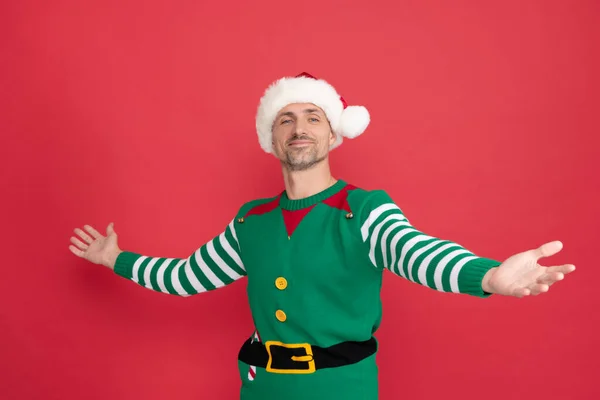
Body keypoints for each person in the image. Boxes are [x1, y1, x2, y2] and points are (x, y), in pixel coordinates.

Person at [69, 72, 576, 400]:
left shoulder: (364, 210)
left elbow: (415, 252)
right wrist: (117, 258)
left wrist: (486, 275)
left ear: (333, 134)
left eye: (314, 117)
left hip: (341, 387)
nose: (299, 128)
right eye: (285, 119)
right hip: (260, 387)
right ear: (271, 139)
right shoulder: (251, 220)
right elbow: (186, 277)